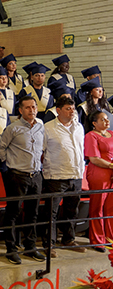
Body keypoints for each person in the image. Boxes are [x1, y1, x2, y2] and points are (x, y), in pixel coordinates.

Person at [0, 96, 46, 264]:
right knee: (13, 213)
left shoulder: (41, 125)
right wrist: (10, 161)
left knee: (33, 213)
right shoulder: (13, 128)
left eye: (34, 107)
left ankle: (30, 247)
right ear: (21, 110)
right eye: (28, 108)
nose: (32, 110)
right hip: (17, 175)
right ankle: (11, 249)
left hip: (36, 176)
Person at [41, 95, 86, 257]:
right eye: (68, 109)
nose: (72, 111)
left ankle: (68, 239)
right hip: (56, 175)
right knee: (51, 212)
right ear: (58, 111)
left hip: (76, 174)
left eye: (73, 108)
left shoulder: (79, 126)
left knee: (71, 210)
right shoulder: (48, 127)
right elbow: (41, 150)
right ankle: (49, 243)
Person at [85, 110, 113, 252]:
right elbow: (94, 158)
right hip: (99, 173)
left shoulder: (112, 134)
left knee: (110, 208)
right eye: (102, 119)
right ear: (94, 123)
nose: (107, 121)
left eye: (107, 119)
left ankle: (110, 238)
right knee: (98, 207)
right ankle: (97, 240)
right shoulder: (91, 136)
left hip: (112, 173)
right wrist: (111, 165)